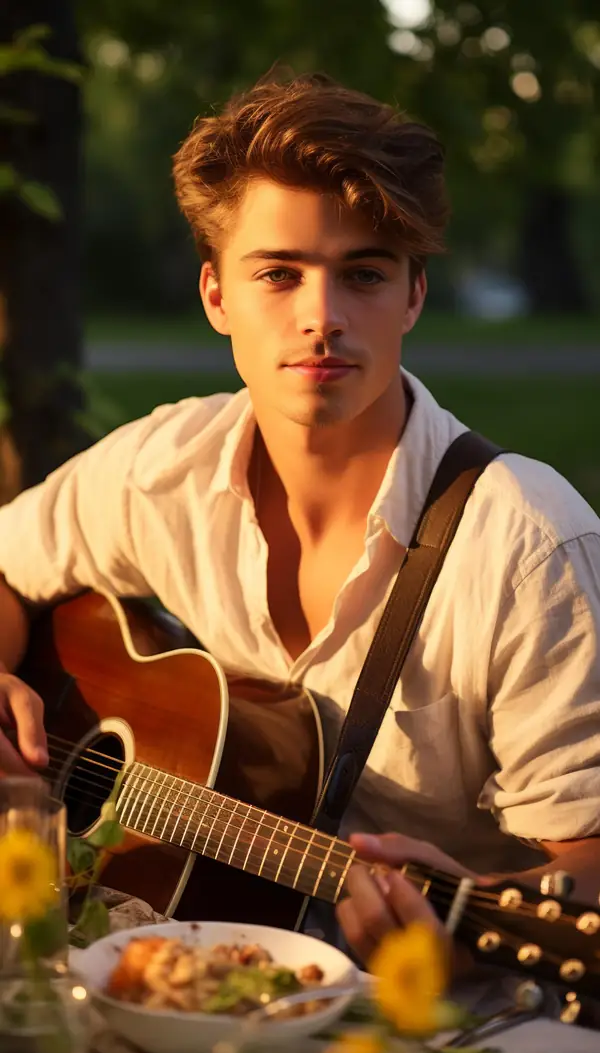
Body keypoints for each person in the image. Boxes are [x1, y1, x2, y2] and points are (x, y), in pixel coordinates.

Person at [0, 70, 600, 969]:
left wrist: (472, 925)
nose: (322, 318)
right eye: (279, 274)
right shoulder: (160, 468)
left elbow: (592, 860)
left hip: (451, 1013)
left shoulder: (529, 547)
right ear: (216, 296)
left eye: (363, 274)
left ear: (414, 295)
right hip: (185, 973)